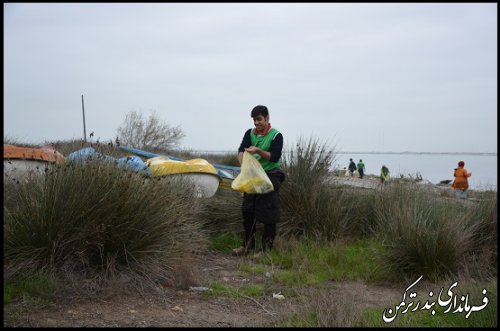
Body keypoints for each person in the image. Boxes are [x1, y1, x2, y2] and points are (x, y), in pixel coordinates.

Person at [232, 105, 285, 257]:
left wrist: (258, 151)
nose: (256, 123)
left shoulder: (276, 135)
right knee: (248, 210)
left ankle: (266, 250)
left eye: (259, 119)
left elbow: (274, 156)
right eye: (254, 120)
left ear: (267, 118)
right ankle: (248, 246)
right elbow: (241, 150)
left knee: (268, 212)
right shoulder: (249, 133)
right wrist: (244, 166)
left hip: (271, 175)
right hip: (252, 175)